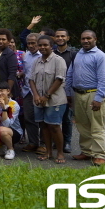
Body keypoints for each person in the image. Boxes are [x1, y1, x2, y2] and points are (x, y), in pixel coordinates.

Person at [65, 30, 105, 166]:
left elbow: (104, 80)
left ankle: (100, 155)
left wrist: (99, 98)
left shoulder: (100, 56)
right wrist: (69, 93)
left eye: (88, 38)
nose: (85, 41)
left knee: (96, 126)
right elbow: (70, 74)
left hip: (94, 94)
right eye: (83, 38)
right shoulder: (78, 54)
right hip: (78, 94)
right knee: (82, 125)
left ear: (95, 39)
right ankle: (87, 151)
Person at [29, 35, 68, 164]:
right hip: (39, 100)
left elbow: (59, 79)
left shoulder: (58, 60)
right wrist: (35, 95)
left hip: (54, 100)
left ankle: (60, 153)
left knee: (55, 126)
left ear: (52, 46)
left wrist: (46, 96)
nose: (42, 47)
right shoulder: (37, 61)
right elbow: (31, 80)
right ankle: (48, 152)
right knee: (43, 125)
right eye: (40, 45)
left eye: (45, 45)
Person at [53, 28, 77, 153]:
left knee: (67, 118)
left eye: (63, 36)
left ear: (68, 38)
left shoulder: (73, 54)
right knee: (53, 118)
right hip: (53, 91)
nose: (60, 38)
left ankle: (67, 142)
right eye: (57, 36)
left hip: (67, 91)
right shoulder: (51, 52)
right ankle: (55, 141)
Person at [20, 33, 42, 154]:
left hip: (41, 91)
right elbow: (26, 71)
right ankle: (33, 142)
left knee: (43, 119)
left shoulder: (43, 55)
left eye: (33, 43)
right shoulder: (26, 55)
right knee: (29, 118)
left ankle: (43, 144)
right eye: (29, 43)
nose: (31, 45)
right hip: (27, 91)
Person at [0, 81, 23, 160]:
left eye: (2, 91)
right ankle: (3, 146)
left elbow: (7, 125)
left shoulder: (14, 105)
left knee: (2, 130)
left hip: (14, 132)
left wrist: (4, 109)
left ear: (8, 91)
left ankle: (10, 149)